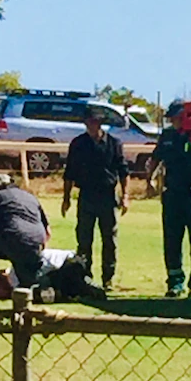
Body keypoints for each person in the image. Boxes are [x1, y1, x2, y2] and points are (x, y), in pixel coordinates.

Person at [62, 106, 129, 291]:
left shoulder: (114, 143)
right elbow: (69, 173)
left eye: (95, 121)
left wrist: (125, 196)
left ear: (100, 123)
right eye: (89, 121)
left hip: (108, 196)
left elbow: (123, 171)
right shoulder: (78, 144)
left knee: (109, 239)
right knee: (84, 239)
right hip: (87, 196)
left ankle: (108, 278)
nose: (92, 125)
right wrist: (66, 198)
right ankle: (85, 276)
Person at [148, 99, 191, 298]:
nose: (174, 122)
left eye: (177, 118)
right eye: (172, 118)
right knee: (172, 239)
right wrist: (150, 179)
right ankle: (175, 282)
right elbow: (156, 158)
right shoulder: (167, 136)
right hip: (173, 193)